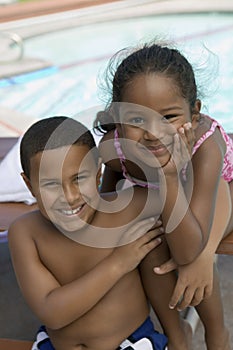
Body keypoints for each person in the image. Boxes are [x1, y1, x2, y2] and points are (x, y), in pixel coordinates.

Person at [93, 41, 233, 349]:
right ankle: (176, 333)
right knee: (148, 240)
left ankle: (217, 332)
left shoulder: (204, 146)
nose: (153, 132)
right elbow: (108, 193)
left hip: (220, 196)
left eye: (168, 117)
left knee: (193, 255)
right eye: (137, 120)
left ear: (193, 114)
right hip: (170, 201)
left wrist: (203, 254)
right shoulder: (114, 151)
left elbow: (188, 250)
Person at [8, 116, 173, 350]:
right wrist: (119, 262)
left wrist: (203, 261)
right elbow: (52, 312)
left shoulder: (131, 208)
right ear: (29, 185)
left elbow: (193, 201)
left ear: (98, 172)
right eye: (51, 185)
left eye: (79, 179)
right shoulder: (25, 232)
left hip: (131, 345)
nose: (70, 196)